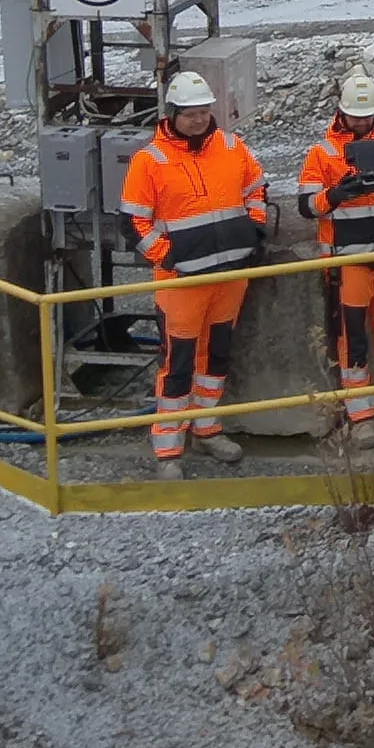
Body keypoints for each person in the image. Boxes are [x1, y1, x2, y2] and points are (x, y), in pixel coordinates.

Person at [118, 68, 269, 465]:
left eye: (203, 111)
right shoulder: (149, 160)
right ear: (172, 114)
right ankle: (168, 446)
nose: (198, 119)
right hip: (181, 282)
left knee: (217, 356)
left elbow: (256, 188)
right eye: (189, 113)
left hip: (229, 276)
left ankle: (207, 429)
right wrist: (166, 255)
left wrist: (254, 229)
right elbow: (133, 221)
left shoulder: (233, 147)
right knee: (178, 362)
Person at [296, 71, 374, 445]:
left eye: (368, 116)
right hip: (346, 262)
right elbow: (306, 205)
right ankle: (361, 415)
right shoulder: (322, 152)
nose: (363, 122)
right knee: (352, 338)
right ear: (342, 112)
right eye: (356, 116)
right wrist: (336, 195)